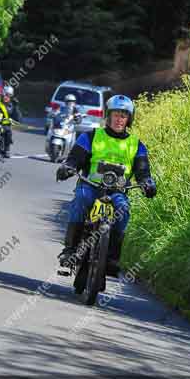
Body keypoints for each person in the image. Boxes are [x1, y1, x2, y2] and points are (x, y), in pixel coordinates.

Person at [56, 94, 156, 276]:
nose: (119, 119)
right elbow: (74, 159)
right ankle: (70, 250)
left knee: (123, 210)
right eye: (116, 114)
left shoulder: (136, 145)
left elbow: (143, 171)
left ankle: (111, 259)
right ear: (108, 116)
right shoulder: (91, 136)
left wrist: (147, 183)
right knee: (80, 199)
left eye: (124, 116)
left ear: (129, 119)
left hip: (117, 191)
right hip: (90, 186)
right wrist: (68, 167)